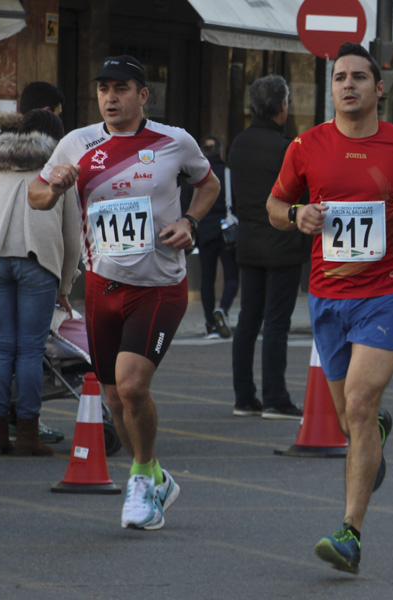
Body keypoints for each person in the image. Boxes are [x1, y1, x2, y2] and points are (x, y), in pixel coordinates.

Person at [267, 43, 393, 573]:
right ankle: (374, 433)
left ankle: (350, 533)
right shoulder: (306, 146)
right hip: (328, 295)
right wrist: (297, 213)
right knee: (351, 419)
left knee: (362, 404)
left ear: (378, 87)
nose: (348, 85)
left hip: (388, 292)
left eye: (359, 77)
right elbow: (275, 206)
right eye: (340, 77)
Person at [28, 55, 220, 529]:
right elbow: (35, 197)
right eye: (103, 89)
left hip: (158, 287)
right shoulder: (77, 142)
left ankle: (139, 478)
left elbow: (209, 183)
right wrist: (54, 185)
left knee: (134, 386)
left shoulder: (175, 142)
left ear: (142, 95)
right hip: (102, 285)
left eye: (120, 88)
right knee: (115, 401)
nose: (110, 97)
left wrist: (189, 221)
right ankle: (157, 475)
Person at [0, 108, 79, 457]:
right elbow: (72, 235)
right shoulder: (60, 173)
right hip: (38, 262)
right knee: (31, 350)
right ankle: (27, 434)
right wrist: (65, 287)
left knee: (1, 346)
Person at [228, 74, 309, 419]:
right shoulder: (288, 147)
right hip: (282, 241)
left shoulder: (239, 144)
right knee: (276, 322)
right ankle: (276, 397)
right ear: (282, 106)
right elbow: (302, 194)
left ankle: (244, 397)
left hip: (248, 239)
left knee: (248, 319)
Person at [187, 135, 239, 340]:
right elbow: (237, 201)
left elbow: (187, 204)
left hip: (204, 233)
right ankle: (223, 309)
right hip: (227, 234)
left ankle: (210, 325)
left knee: (206, 280)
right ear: (220, 152)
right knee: (232, 277)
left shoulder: (196, 176)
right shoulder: (228, 173)